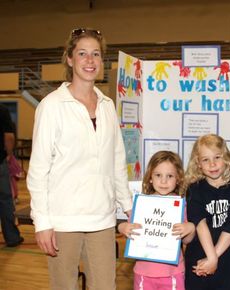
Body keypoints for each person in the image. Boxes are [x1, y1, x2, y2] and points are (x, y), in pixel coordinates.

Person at [27, 28, 132, 290]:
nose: (90, 60)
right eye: (82, 53)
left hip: (103, 220)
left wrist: (129, 207)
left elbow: (117, 163)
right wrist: (42, 222)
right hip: (63, 221)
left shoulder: (108, 105)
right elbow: (38, 170)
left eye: (95, 54)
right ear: (70, 59)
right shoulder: (51, 106)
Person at [118, 150, 195, 290]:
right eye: (158, 175)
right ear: (150, 178)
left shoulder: (179, 205)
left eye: (170, 176)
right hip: (143, 273)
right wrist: (123, 227)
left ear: (178, 179)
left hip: (172, 273)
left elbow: (187, 240)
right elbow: (128, 227)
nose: (163, 181)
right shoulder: (143, 204)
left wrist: (190, 228)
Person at [184, 134, 230, 290]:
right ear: (198, 164)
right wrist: (210, 258)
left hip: (227, 260)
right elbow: (200, 223)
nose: (212, 164)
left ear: (226, 158)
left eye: (217, 157)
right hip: (199, 260)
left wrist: (214, 258)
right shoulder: (194, 189)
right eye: (205, 159)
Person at [0, 103, 24, 247]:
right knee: (5, 201)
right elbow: (8, 136)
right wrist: (9, 155)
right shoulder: (2, 110)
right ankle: (12, 237)